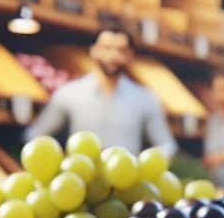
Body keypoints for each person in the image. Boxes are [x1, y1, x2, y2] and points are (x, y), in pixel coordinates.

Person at [23, 22, 178, 157]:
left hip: (125, 185)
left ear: (130, 55)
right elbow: (35, 136)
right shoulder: (69, 93)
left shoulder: (145, 98)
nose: (113, 56)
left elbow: (167, 145)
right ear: (94, 50)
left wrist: (148, 164)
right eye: (106, 48)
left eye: (121, 50)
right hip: (80, 184)